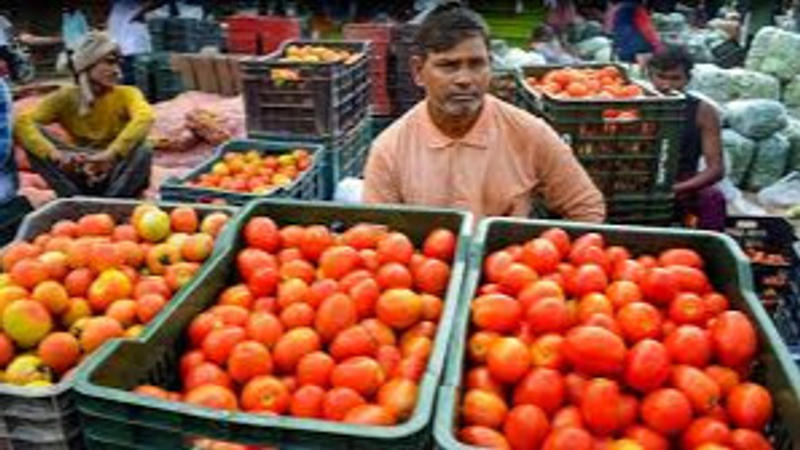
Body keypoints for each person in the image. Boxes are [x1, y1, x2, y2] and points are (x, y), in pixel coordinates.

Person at [364, 3, 606, 221]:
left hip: (511, 267)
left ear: (491, 65)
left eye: (476, 64)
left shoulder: (529, 134)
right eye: (448, 66)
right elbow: (377, 236)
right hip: (427, 268)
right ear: (418, 71)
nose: (464, 79)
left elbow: (587, 207)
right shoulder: (390, 150)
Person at [14, 31, 155, 198]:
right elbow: (22, 122)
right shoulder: (65, 98)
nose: (116, 71)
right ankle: (73, 198)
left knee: (144, 147)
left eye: (118, 64)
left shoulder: (127, 94)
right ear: (88, 64)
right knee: (33, 144)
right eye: (109, 63)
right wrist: (56, 155)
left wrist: (110, 155)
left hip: (116, 169)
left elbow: (145, 117)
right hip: (78, 166)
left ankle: (112, 201)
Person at [647, 46, 725, 230]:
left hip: (682, 182)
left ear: (688, 79)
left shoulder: (703, 111)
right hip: (636, 180)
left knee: (712, 198)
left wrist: (675, 189)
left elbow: (716, 169)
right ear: (650, 76)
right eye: (661, 77)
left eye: (675, 78)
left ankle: (709, 252)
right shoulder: (636, 104)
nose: (667, 85)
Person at [609, 0, 663, 64]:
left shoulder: (617, 9)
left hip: (622, 49)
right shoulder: (634, 9)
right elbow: (647, 29)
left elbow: (609, 29)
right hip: (638, 49)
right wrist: (657, 46)